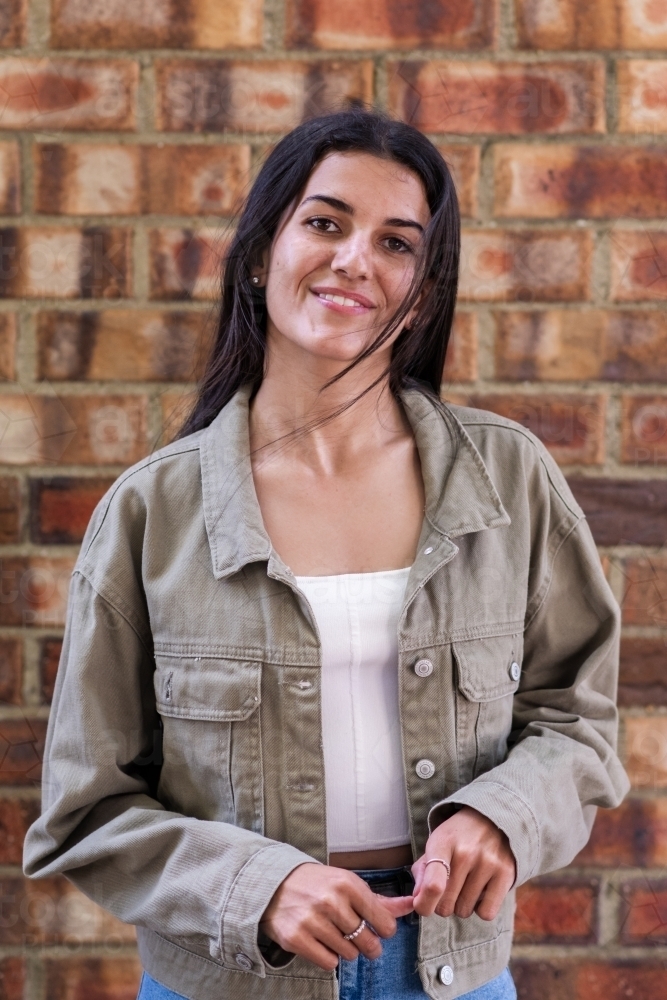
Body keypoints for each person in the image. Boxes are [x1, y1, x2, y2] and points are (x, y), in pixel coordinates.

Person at [23, 108, 629, 1000]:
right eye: (325, 223)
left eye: (396, 243)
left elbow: (577, 718)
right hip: (229, 981)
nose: (354, 260)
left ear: (421, 291)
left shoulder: (507, 480)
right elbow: (85, 814)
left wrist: (501, 818)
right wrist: (256, 887)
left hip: (449, 973)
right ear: (264, 251)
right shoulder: (152, 513)